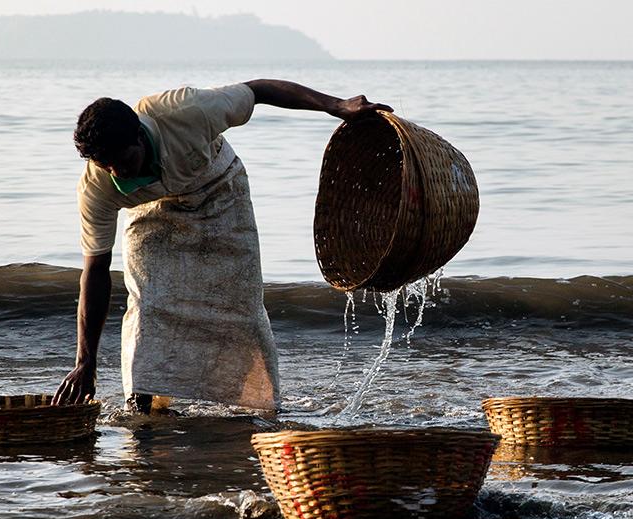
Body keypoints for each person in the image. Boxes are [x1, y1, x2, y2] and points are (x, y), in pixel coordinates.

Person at [52, 80, 390, 413]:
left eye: (124, 161)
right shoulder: (97, 189)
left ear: (139, 135)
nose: (118, 173)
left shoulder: (188, 110)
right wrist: (86, 363)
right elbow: (95, 271)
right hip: (152, 210)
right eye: (106, 166)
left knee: (242, 307)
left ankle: (259, 408)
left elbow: (260, 91)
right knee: (147, 304)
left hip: (219, 188)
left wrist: (335, 105)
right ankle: (143, 407)